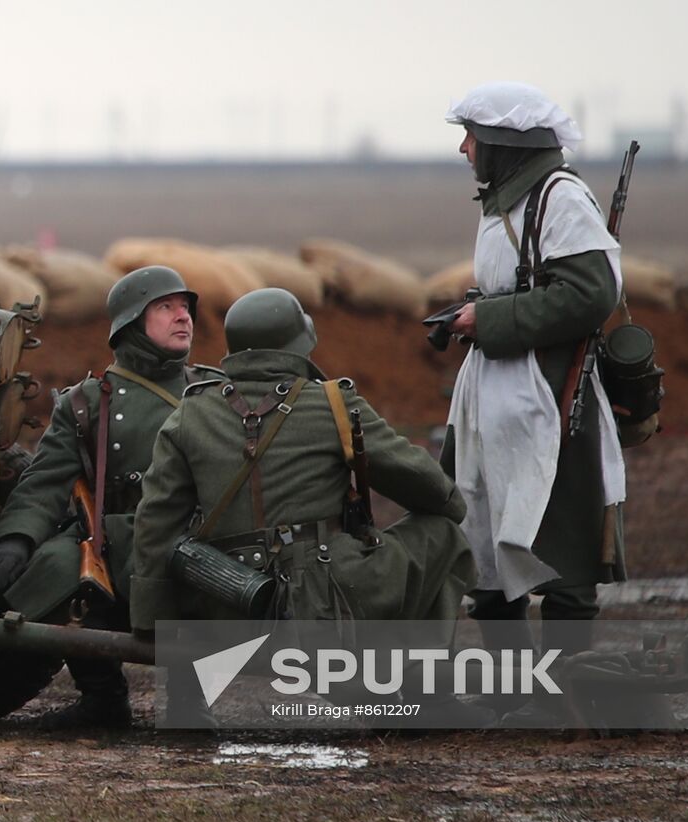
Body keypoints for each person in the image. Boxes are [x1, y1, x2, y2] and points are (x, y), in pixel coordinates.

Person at [131, 287, 487, 726]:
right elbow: (437, 496)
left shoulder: (190, 413)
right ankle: (418, 691)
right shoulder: (332, 405)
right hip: (322, 606)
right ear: (297, 342)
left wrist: (153, 624)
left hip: (227, 605)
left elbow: (155, 524)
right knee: (442, 536)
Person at [441, 82, 627, 722]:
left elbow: (589, 295)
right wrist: (470, 313)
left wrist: (488, 321)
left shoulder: (559, 198)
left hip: (549, 398)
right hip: (493, 399)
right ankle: (509, 691)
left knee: (563, 551)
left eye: (472, 136)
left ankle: (566, 694)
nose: (464, 148)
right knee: (485, 547)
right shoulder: (504, 206)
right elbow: (526, 286)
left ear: (503, 142)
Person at [0, 265, 224, 729]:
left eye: (185, 308)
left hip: (192, 536)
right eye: (166, 307)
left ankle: (189, 703)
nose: (183, 317)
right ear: (133, 322)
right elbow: (46, 482)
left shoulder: (214, 392)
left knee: (193, 569)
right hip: (115, 543)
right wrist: (15, 538)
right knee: (58, 565)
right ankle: (103, 698)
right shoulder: (87, 401)